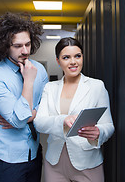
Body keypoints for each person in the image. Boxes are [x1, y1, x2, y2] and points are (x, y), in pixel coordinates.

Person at [34, 37, 115, 182]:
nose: (73, 62)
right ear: (58, 61)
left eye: (77, 56)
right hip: (55, 163)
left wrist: (99, 132)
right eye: (66, 57)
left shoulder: (97, 86)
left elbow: (109, 126)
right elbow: (39, 122)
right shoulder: (50, 88)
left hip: (88, 162)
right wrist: (63, 120)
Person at [0, 12, 49, 182]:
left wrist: (30, 116)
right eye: (18, 46)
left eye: (28, 44)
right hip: (7, 157)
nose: (25, 51)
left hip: (33, 151)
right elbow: (20, 120)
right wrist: (28, 81)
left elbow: (47, 106)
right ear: (5, 46)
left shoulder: (39, 70)